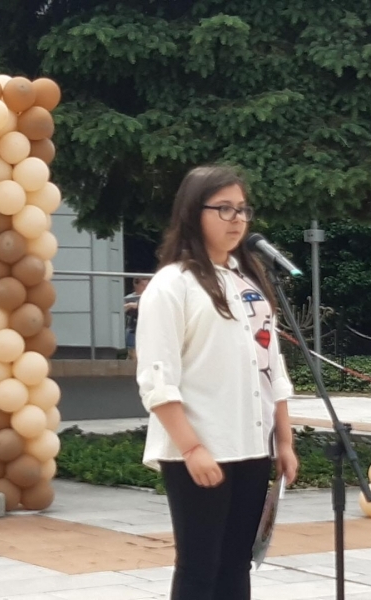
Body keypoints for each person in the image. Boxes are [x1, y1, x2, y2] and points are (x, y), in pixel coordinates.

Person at [135, 165, 298, 600]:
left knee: (235, 564)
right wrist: (191, 447)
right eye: (223, 208)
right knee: (199, 568)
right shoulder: (172, 285)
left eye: (243, 209)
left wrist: (283, 441)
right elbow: (157, 379)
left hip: (251, 446)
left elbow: (272, 368)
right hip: (201, 449)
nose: (237, 219)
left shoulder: (250, 284)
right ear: (193, 212)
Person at [124, 277, 149, 359]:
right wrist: (128, 306)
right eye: (143, 285)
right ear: (136, 285)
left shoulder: (151, 296)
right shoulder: (128, 298)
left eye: (147, 285)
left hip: (148, 328)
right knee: (133, 352)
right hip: (132, 328)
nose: (145, 287)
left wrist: (138, 306)